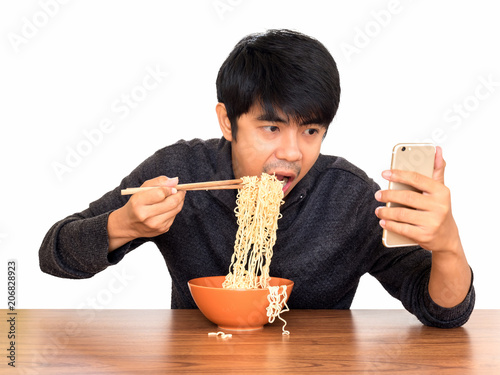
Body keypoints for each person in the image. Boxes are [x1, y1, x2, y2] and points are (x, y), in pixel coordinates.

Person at [39, 29, 474, 328]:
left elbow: (443, 313)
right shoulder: (181, 173)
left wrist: (448, 245)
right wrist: (123, 226)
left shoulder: (350, 198)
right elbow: (53, 253)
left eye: (310, 131)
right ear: (227, 122)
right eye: (271, 128)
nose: (291, 151)